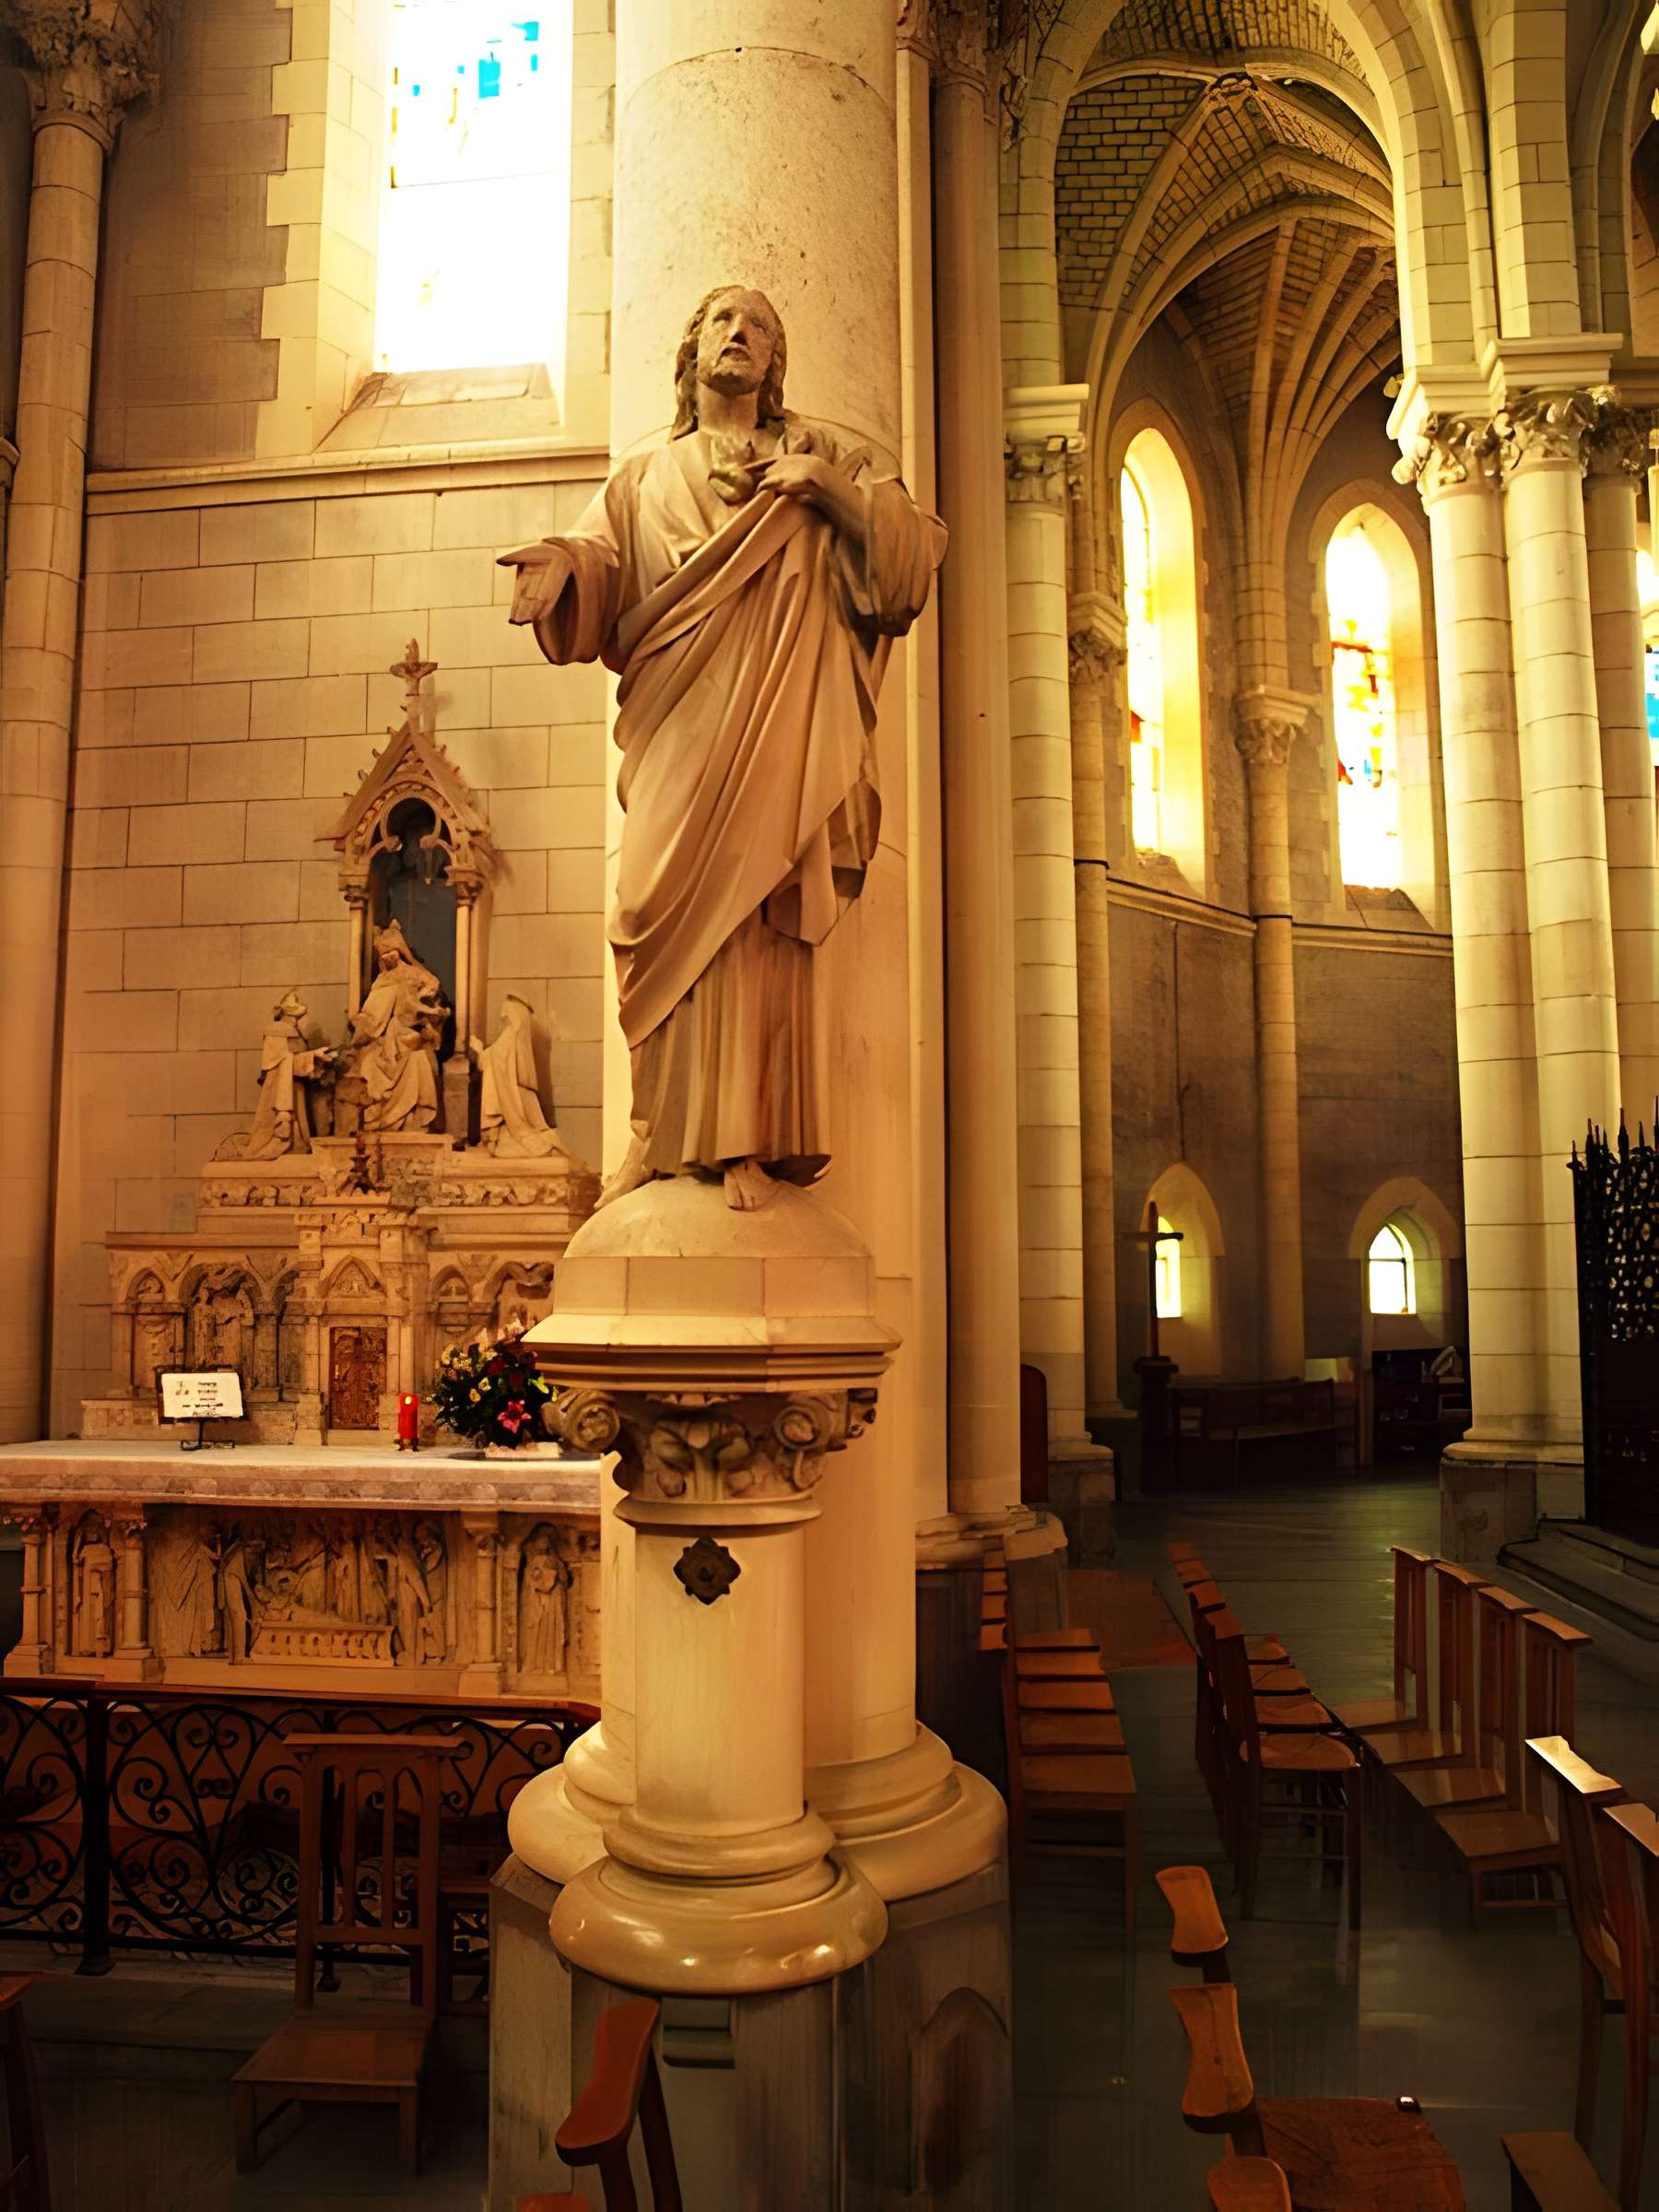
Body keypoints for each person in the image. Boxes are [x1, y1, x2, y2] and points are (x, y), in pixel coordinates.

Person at [500, 285, 944, 1210]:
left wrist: (822, 489)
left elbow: (910, 558)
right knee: (648, 909)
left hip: (779, 715)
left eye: (760, 327)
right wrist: (560, 571)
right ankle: (654, 1135)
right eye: (722, 322)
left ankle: (746, 1139)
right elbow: (598, 559)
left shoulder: (824, 455)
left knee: (755, 920)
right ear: (692, 349)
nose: (740, 334)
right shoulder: (642, 476)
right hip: (675, 724)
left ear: (775, 361)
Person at [342, 921, 447, 1134]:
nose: (386, 958)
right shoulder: (382, 981)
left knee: (415, 1059)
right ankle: (383, 1116)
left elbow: (431, 987)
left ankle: (406, 1117)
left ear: (399, 952)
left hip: (410, 1032)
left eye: (389, 952)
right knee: (372, 1060)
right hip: (383, 1036)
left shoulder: (414, 974)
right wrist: (362, 1024)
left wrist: (424, 1004)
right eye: (382, 954)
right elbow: (372, 1015)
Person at [472, 994, 565, 1157]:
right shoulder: (518, 1035)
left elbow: (495, 1057)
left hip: (512, 1096)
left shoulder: (511, 1033)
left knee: (520, 1137)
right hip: (517, 1093)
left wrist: (479, 1050)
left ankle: (499, 1136)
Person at [245, 990, 334, 1158]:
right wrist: (313, 1056)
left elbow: (292, 1061)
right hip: (279, 1087)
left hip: (293, 1087)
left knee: (296, 1138)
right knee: (276, 1135)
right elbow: (284, 1062)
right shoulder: (278, 1030)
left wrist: (314, 1056)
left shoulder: (292, 1032)